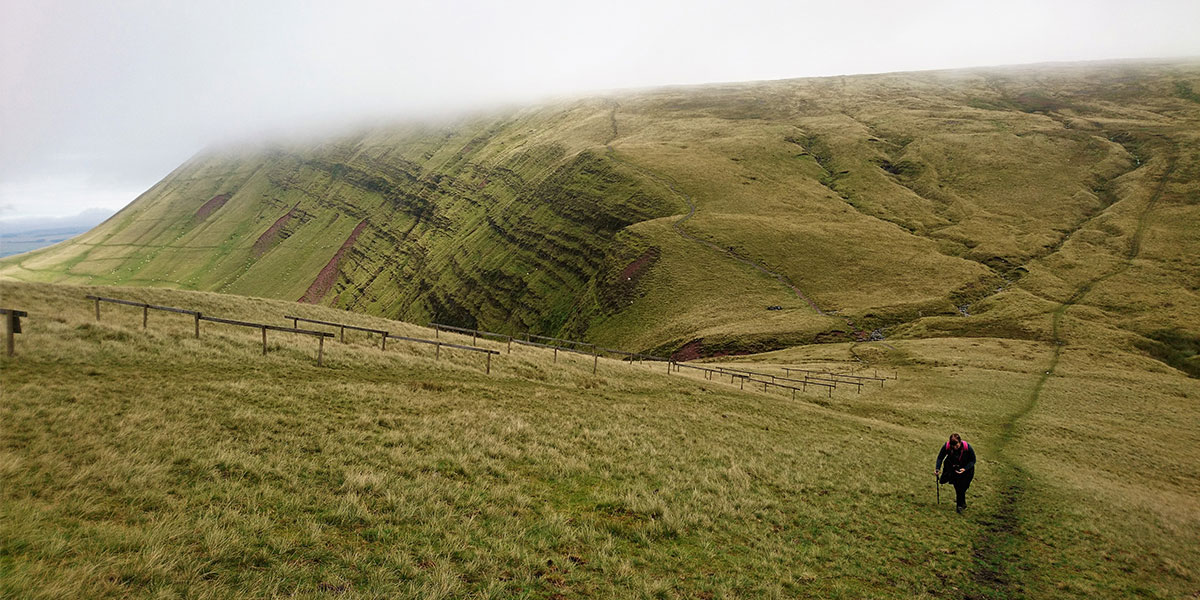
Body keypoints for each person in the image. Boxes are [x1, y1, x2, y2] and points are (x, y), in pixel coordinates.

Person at [935, 433, 976, 513]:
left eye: (956, 446)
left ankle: (962, 503)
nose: (954, 448)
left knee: (964, 487)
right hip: (954, 468)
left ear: (960, 442)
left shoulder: (967, 447)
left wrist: (965, 469)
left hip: (967, 470)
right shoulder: (947, 446)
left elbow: (973, 460)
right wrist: (937, 468)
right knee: (958, 487)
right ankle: (959, 506)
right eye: (953, 446)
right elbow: (940, 457)